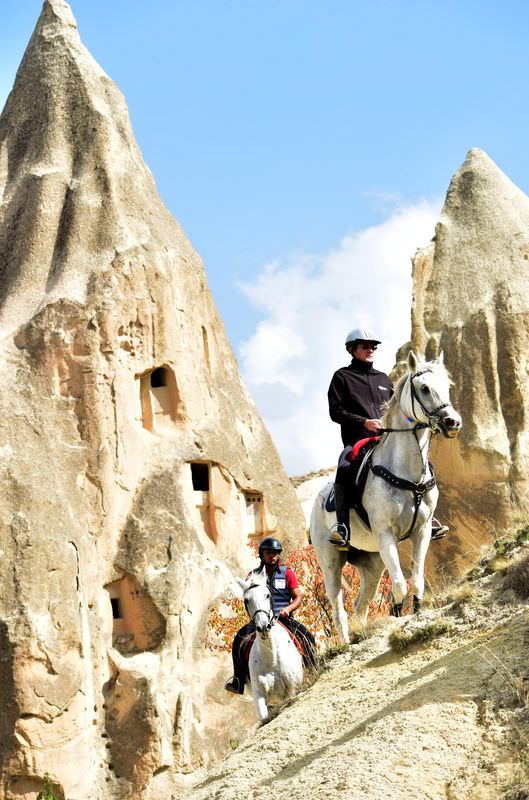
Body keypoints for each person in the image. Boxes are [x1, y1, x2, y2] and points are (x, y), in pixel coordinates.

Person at [327, 327, 449, 548]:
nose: (371, 349)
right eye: (365, 346)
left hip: (387, 440)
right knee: (344, 465)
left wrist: (414, 423)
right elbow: (336, 412)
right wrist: (364, 422)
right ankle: (342, 526)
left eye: (373, 346)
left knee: (425, 465)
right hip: (359, 441)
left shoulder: (383, 378)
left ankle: (428, 520)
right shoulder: (342, 377)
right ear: (351, 349)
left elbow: (397, 410)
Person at [225, 536, 317, 695]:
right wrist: (254, 616)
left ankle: (313, 669)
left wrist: (288, 609)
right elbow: (248, 599)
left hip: (283, 617)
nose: (272, 556)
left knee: (307, 636)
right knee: (238, 640)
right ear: (262, 554)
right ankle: (238, 681)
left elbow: (298, 597)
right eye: (268, 552)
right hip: (260, 618)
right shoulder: (253, 575)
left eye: (275, 553)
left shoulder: (287, 573)